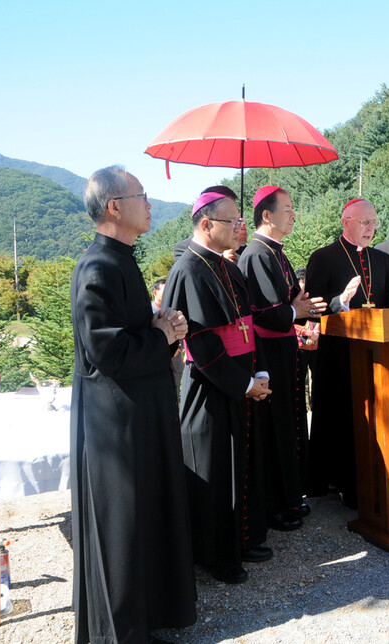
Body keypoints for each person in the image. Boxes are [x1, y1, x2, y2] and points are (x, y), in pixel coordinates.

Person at [70, 165, 196, 642]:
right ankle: (122, 630)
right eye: (141, 195)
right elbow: (105, 351)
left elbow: (127, 329)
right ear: (114, 207)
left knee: (146, 516)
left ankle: (148, 618)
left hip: (137, 414)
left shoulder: (121, 259)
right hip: (114, 423)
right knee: (123, 527)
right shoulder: (98, 266)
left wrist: (157, 322)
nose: (149, 202)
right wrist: (160, 335)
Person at [162, 187, 273, 582]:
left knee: (239, 465)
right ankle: (215, 556)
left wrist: (259, 373)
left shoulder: (227, 266)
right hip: (211, 387)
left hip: (241, 381)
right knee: (214, 474)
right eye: (232, 221)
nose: (240, 226)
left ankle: (243, 538)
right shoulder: (187, 270)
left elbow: (247, 326)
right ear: (207, 224)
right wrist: (243, 383)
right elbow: (202, 343)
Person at [305, 198, 389, 505]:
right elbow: (313, 307)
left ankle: (372, 480)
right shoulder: (323, 258)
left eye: (374, 223)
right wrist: (341, 301)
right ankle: (341, 483)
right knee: (342, 418)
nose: (370, 228)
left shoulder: (380, 259)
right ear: (346, 223)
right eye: (364, 222)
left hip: (375, 354)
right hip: (337, 355)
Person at [238, 185, 326, 530]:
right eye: (287, 209)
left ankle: (290, 496)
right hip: (268, 352)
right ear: (266, 215)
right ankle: (275, 505)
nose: (293, 214)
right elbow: (263, 312)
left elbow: (290, 300)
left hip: (284, 349)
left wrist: (302, 305)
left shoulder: (275, 251)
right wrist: (296, 308)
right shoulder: (258, 254)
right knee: (273, 430)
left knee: (289, 425)